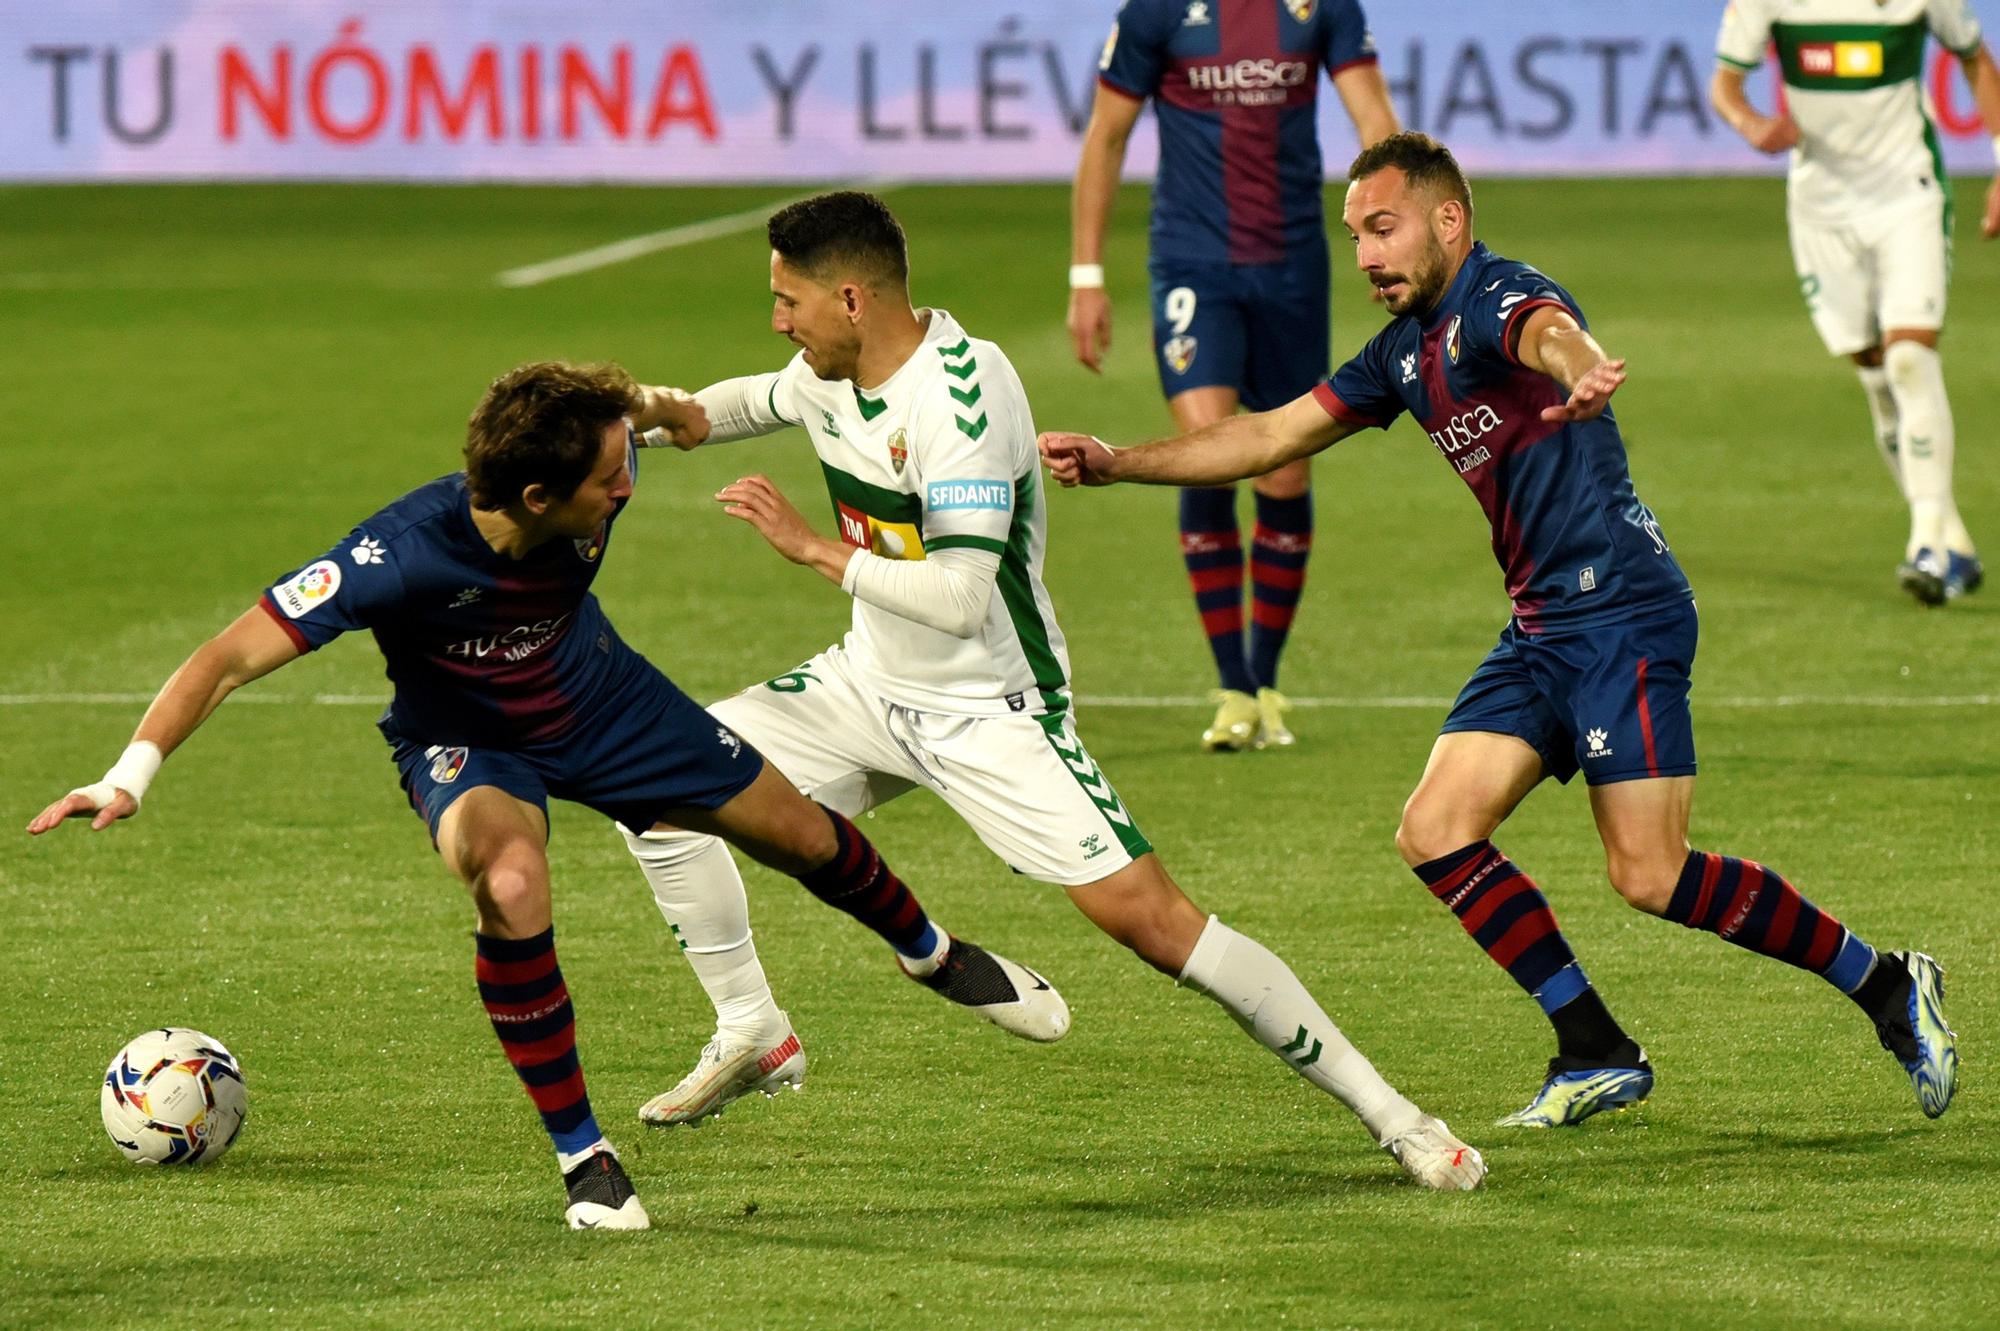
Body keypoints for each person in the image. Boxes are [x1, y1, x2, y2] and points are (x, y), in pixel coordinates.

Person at [1039, 132, 1959, 1127]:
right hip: (1539, 626)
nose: (1365, 256)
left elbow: (1548, 331)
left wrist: (1582, 366)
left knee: (1647, 874)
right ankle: (1592, 1048)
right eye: (1352, 237)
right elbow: (1268, 433)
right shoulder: (1398, 353)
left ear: (1447, 219)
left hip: (1620, 613)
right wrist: (1118, 460)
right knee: (1434, 831)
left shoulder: (1496, 299)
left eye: (1382, 229)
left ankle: (1884, 983)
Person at [27, 361, 1066, 1229]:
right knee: (512, 882)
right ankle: (585, 1157)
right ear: (537, 499)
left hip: (603, 698)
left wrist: (674, 414)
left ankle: (931, 954)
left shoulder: (591, 442)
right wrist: (129, 771)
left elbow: (656, 415)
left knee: (798, 830)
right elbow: (224, 656)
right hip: (471, 745)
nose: (625, 488)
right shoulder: (395, 557)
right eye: (609, 479)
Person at [621, 190, 1484, 1190]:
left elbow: (956, 596)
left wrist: (813, 549)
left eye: (787, 301)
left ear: (851, 299)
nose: (777, 320)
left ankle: (1401, 1120)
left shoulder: (961, 397)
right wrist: (642, 417)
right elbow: (734, 405)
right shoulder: (828, 372)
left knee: (1159, 927)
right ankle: (752, 1029)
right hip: (865, 684)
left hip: (992, 709)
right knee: (656, 785)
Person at [1068, 0, 1398, 750]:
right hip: (1192, 264)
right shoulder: (1156, 12)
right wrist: (1087, 273)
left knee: (1284, 473)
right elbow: (1108, 134)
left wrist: (1387, 223)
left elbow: (1374, 120)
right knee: (1211, 454)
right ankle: (1234, 689)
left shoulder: (1323, 8)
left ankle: (1266, 678)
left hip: (1292, 270)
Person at [1711, 0, 2000, 605]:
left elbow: (1974, 58)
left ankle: (1925, 543)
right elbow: (1725, 85)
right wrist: (1752, 125)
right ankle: (1954, 540)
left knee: (1909, 362)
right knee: (1877, 378)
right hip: (1822, 206)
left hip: (1906, 194)